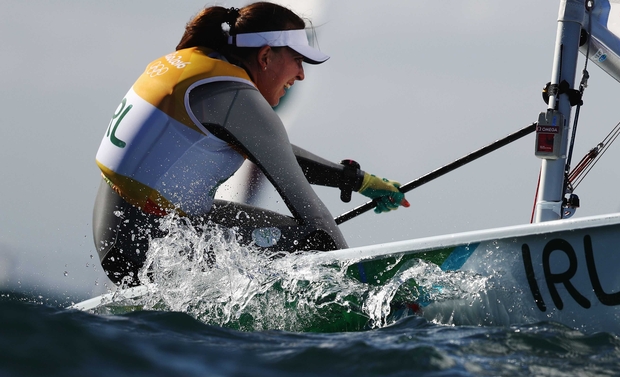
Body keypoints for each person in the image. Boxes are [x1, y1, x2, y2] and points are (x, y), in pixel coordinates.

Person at [93, 2, 409, 286]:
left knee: (281, 235)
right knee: (307, 238)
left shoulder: (198, 67)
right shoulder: (237, 99)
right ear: (265, 56)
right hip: (148, 246)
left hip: (119, 235)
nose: (301, 75)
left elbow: (273, 153)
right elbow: (315, 218)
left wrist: (358, 181)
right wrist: (358, 286)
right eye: (298, 60)